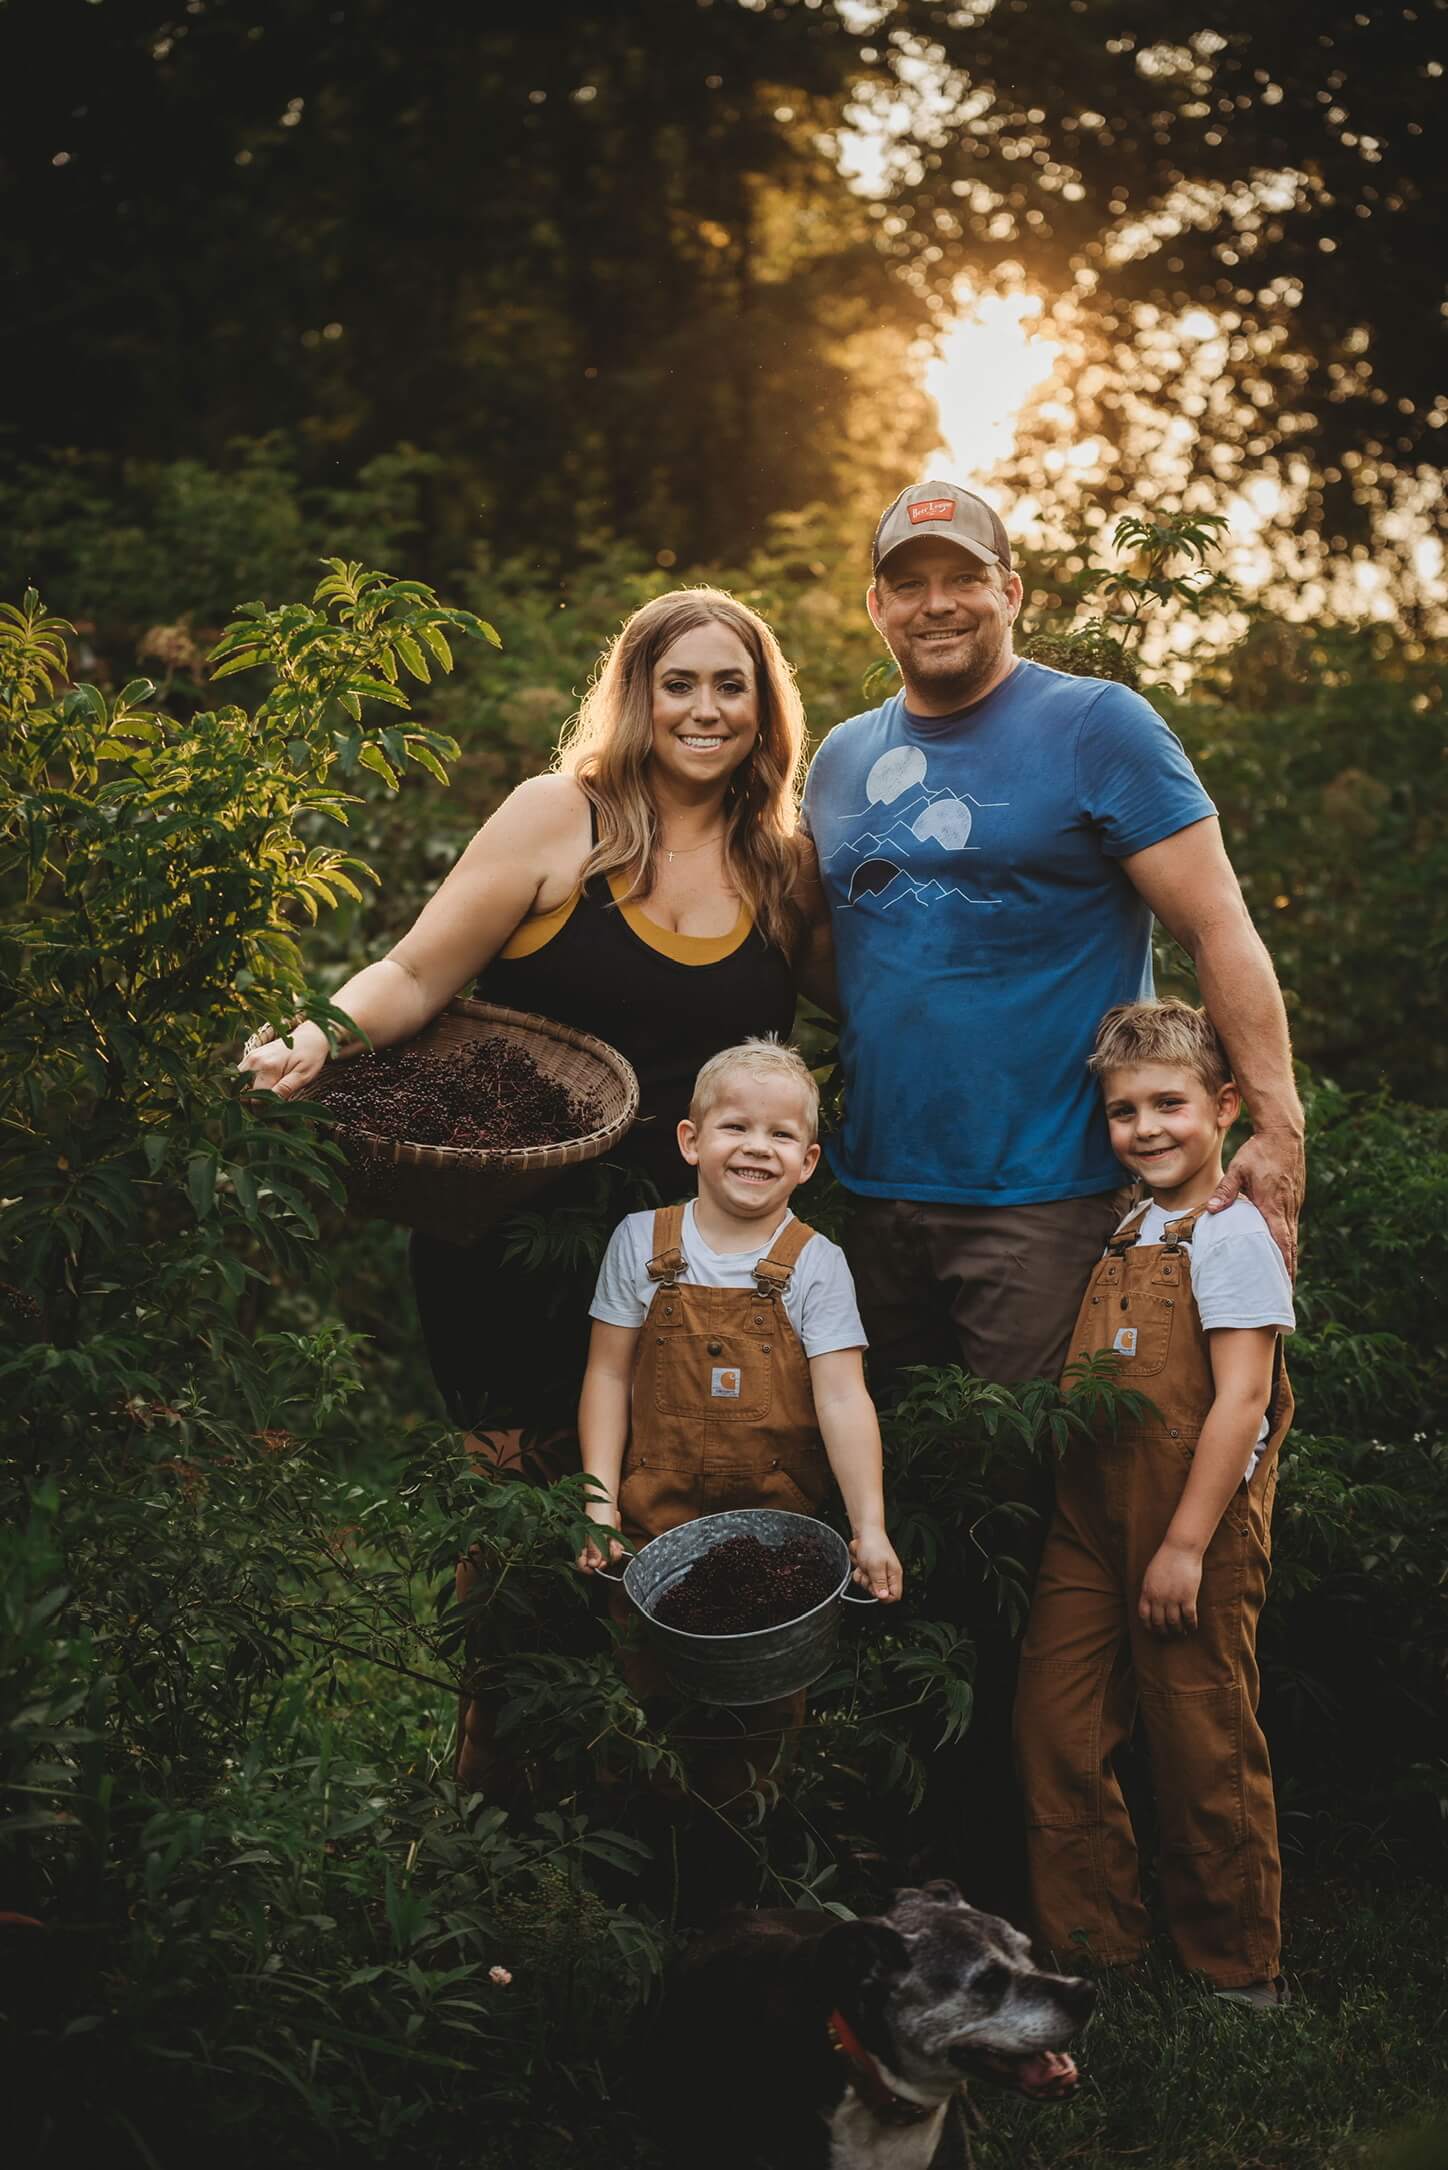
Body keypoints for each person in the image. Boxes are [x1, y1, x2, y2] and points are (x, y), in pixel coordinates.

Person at [797, 476, 1305, 1908]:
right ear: (878, 601)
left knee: (1036, 1524)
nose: (937, 603)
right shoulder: (838, 758)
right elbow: (839, 953)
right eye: (909, 580)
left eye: (966, 576)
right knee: (900, 1519)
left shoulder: (1098, 725)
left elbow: (1217, 924)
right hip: (877, 1200)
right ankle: (915, 1836)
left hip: (1045, 1203)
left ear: (1014, 589)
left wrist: (1273, 1129)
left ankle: (1053, 1862)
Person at [238, 586, 810, 1474]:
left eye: (732, 687)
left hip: (699, 1258)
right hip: (518, 1246)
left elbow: (880, 1001)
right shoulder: (560, 817)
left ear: (764, 709)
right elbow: (417, 972)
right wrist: (318, 1032)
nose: (706, 710)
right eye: (679, 683)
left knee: (676, 1513)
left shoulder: (783, 862)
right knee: (515, 1511)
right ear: (637, 698)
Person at [1014, 1000, 1294, 2007]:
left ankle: (1234, 1965)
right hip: (1089, 1521)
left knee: (1198, 1735)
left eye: (1167, 1103)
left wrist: (1182, 1543)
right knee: (1057, 1725)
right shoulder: (1128, 1227)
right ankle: (1096, 1945)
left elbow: (1242, 1399)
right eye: (1123, 1109)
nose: (1144, 1128)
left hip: (1193, 1528)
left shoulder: (1228, 1235)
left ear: (1222, 1105)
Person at [575, 1037, 903, 1809]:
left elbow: (843, 1398)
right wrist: (597, 1500)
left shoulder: (817, 1263)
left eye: (781, 1135)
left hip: (776, 1540)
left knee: (757, 1730)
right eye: (735, 1128)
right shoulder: (642, 1242)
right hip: (653, 1529)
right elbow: (607, 1374)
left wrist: (871, 1527)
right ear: (692, 1141)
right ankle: (647, 1872)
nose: (757, 1147)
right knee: (642, 1710)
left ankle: (746, 1873)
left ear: (809, 1160)